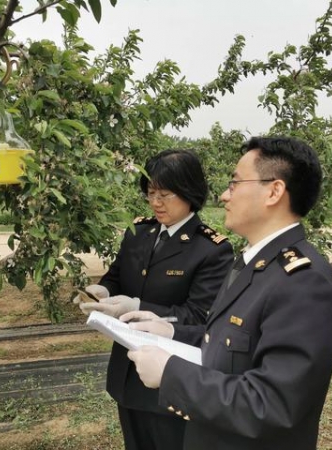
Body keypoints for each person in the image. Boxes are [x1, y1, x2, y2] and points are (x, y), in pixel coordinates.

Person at [123, 136, 332, 450]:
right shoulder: (255, 263)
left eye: (235, 183)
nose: (225, 195)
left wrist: (171, 374)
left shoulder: (304, 283)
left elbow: (272, 403)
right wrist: (171, 331)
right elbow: (230, 344)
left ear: (274, 191)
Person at [74, 148, 234, 450]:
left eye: (165, 194)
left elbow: (199, 317)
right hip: (127, 373)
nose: (156, 203)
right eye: (150, 193)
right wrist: (102, 291)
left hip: (170, 377)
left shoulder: (211, 250)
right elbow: (116, 276)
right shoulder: (139, 232)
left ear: (190, 191)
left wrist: (138, 308)